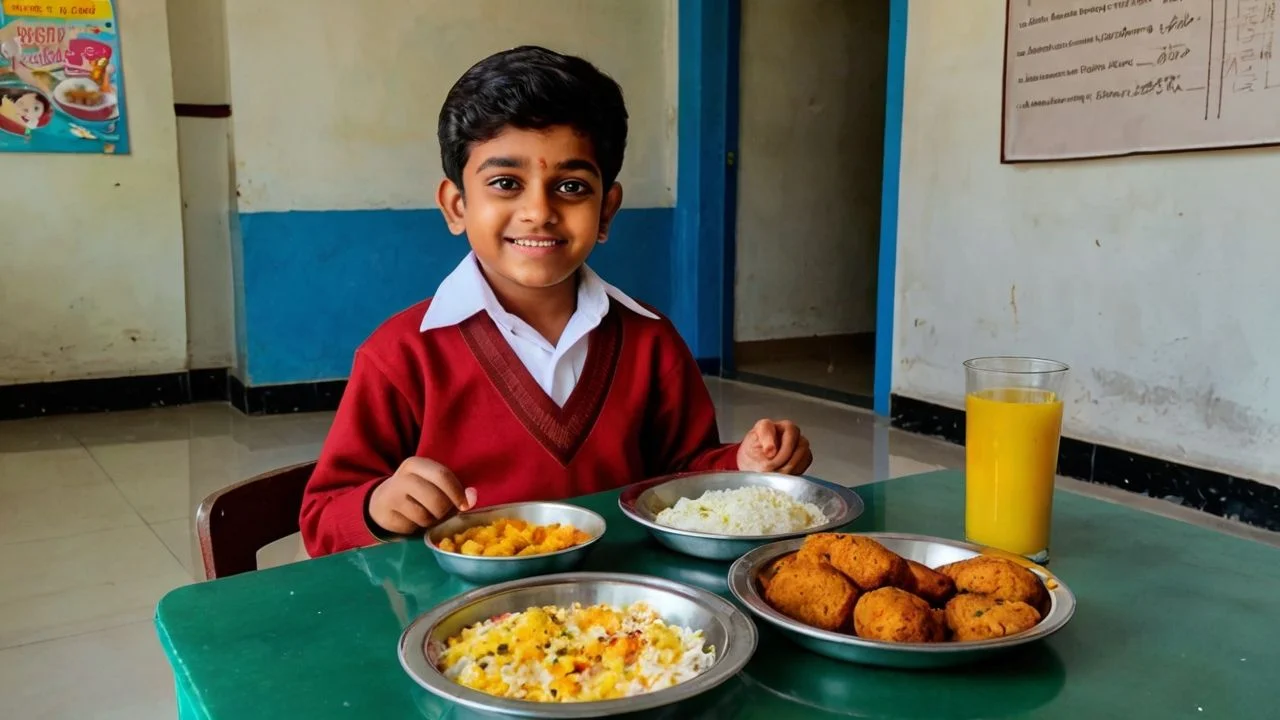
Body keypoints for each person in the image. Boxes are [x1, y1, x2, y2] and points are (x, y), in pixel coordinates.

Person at [299, 46, 813, 557]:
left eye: (570, 186)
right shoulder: (402, 355)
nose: (538, 212)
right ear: (457, 206)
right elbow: (323, 517)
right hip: (460, 623)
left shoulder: (650, 339)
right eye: (505, 183)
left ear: (607, 210)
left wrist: (744, 466)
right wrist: (377, 506)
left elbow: (686, 479)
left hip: (627, 623)